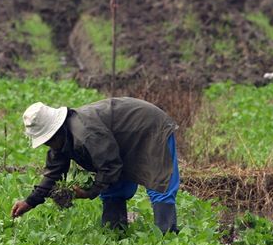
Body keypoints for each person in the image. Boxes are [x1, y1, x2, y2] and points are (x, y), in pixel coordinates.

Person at [11, 97, 180, 233]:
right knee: (113, 187)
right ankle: (115, 232)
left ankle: (166, 236)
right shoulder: (61, 139)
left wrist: (89, 192)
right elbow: (53, 173)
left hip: (149, 127)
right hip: (122, 139)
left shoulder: (86, 135)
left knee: (159, 183)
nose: (48, 145)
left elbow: (110, 166)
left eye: (48, 140)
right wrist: (30, 202)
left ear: (56, 131)